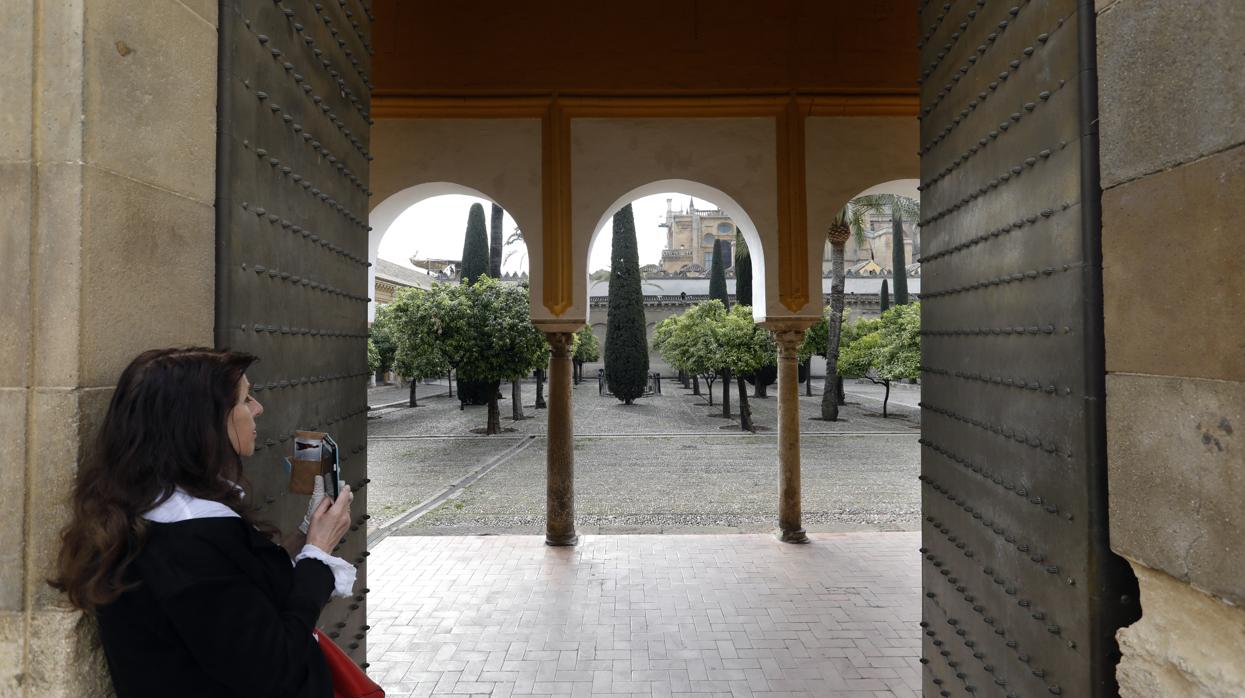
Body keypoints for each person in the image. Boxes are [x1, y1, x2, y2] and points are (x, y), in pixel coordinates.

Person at [50, 347, 357, 697]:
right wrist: (318, 554)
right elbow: (275, 665)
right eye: (244, 400)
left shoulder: (164, 511)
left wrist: (306, 535)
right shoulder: (187, 540)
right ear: (202, 422)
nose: (258, 408)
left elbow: (241, 592)